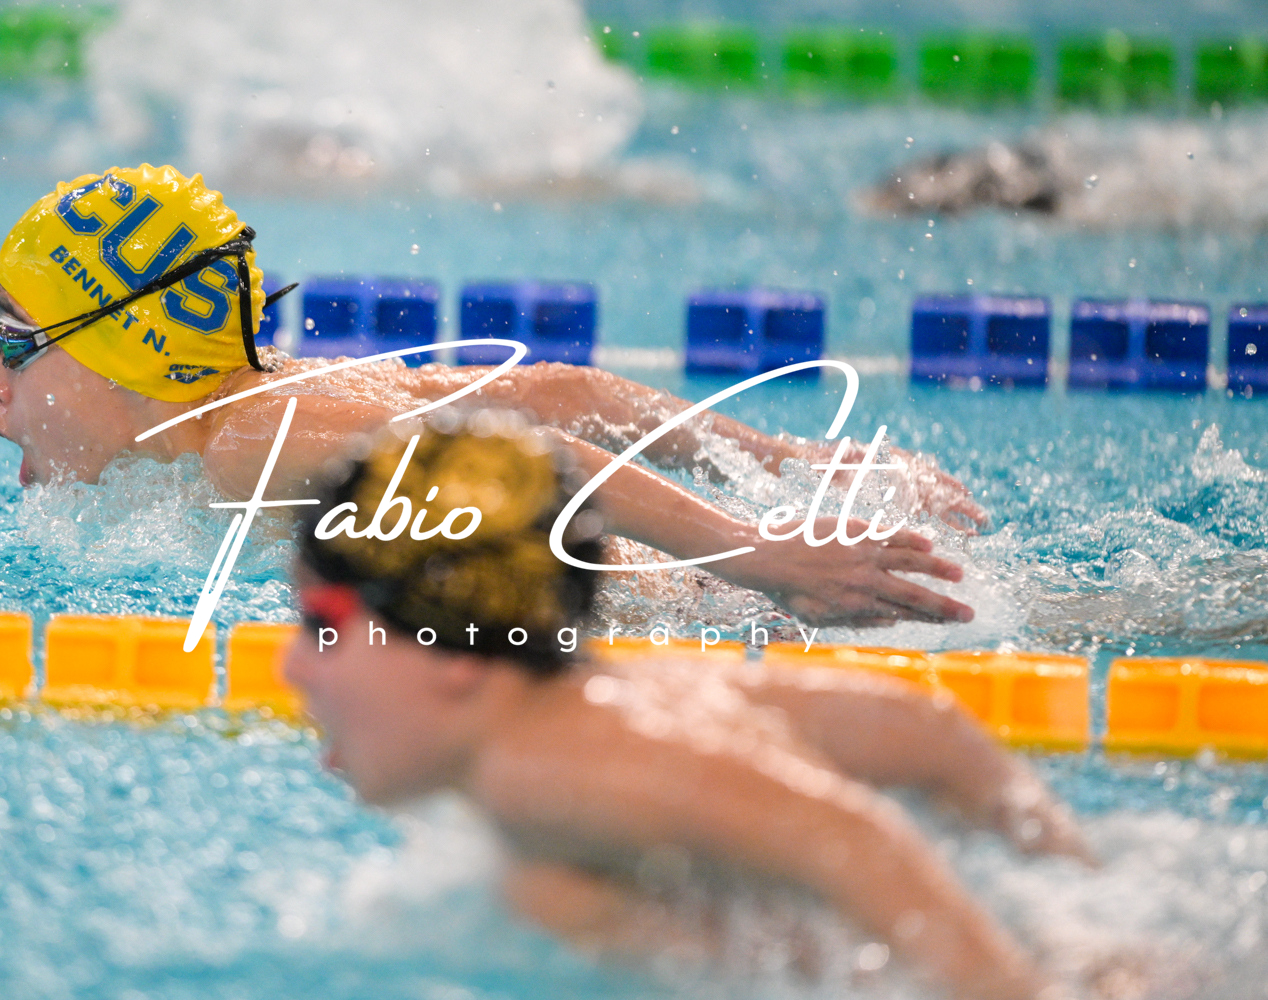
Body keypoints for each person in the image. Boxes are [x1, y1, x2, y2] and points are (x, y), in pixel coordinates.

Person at [283, 411, 1088, 1000]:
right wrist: (1074, 894)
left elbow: (852, 838)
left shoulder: (542, 772)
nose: (292, 665)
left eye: (323, 626)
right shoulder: (614, 697)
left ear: (455, 648)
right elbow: (922, 728)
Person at [0, 163, 985, 627]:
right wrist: (790, 459)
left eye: (16, 344)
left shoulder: (249, 446)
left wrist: (764, 557)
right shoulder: (271, 398)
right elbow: (555, 391)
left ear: (124, 353)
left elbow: (536, 456)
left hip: (692, 610)